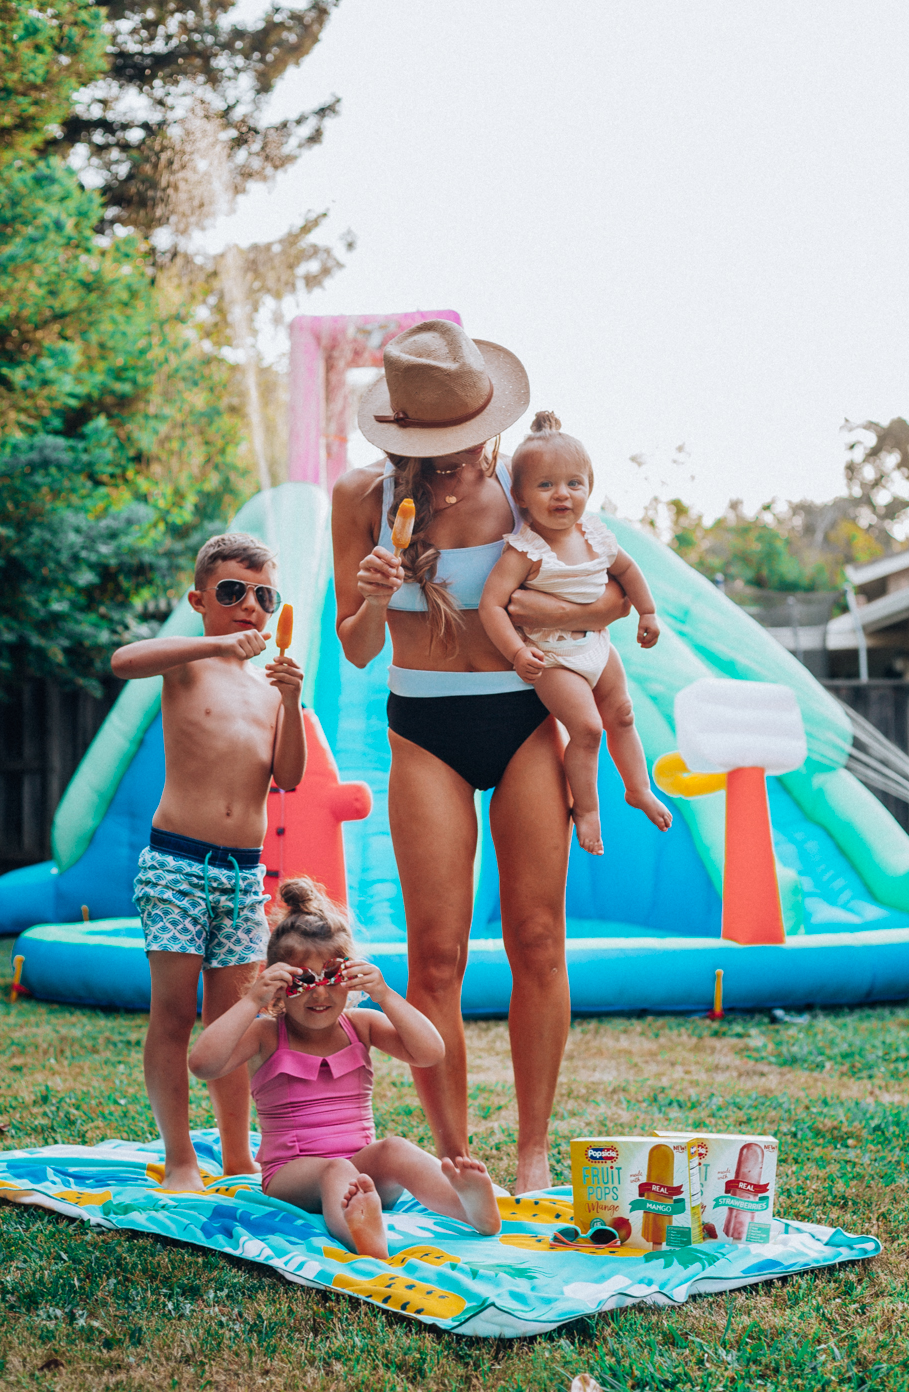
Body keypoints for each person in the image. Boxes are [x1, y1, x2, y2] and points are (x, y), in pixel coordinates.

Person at [331, 319, 629, 1193]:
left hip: (526, 720)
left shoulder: (525, 491)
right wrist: (377, 600)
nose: (457, 462)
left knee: (538, 939)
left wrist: (541, 623)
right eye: (438, 447)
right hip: (424, 732)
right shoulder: (361, 500)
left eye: (467, 444)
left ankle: (533, 1147)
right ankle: (457, 1154)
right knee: (435, 956)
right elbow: (354, 651)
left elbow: (606, 593)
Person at [111, 534, 307, 1191]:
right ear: (200, 600)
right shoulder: (188, 664)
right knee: (172, 1015)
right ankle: (180, 1159)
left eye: (263, 596)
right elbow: (123, 659)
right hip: (176, 866)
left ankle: (238, 1155)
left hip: (242, 874)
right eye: (231, 593)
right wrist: (216, 644)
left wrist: (293, 702)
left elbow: (290, 775)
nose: (248, 606)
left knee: (236, 1020)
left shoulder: (265, 690)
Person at [189, 878, 502, 1258]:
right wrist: (253, 998)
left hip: (363, 1172)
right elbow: (203, 1064)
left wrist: (384, 994)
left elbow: (431, 1052)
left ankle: (471, 1209)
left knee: (395, 1148)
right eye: (302, 980)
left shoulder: (361, 1024)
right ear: (280, 983)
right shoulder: (266, 1035)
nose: (319, 993)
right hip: (292, 1175)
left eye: (332, 977)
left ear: (351, 975)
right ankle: (362, 1237)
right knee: (335, 1169)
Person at [479, 412, 673, 856]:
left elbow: (628, 571)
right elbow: (492, 605)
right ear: (521, 496)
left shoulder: (596, 536)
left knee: (621, 713)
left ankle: (637, 788)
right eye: (545, 485)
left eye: (574, 483)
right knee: (587, 729)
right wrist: (514, 651)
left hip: (596, 645)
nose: (562, 494)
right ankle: (586, 808)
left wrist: (648, 613)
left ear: (589, 485)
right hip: (551, 656)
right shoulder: (524, 549)